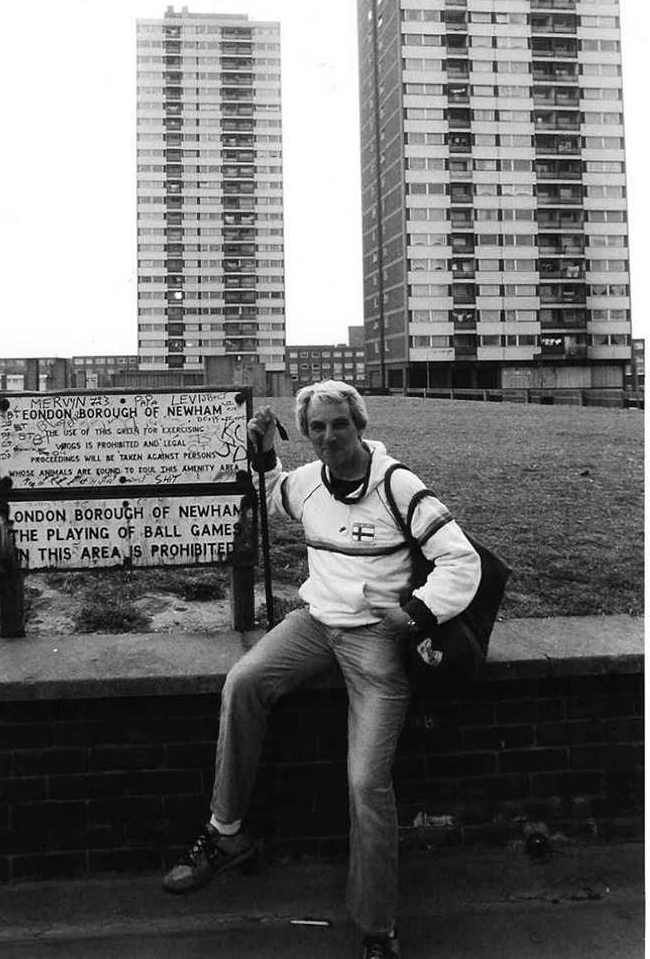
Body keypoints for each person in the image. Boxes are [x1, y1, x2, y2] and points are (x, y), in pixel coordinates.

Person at [162, 380, 481, 958]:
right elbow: (278, 491)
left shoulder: (397, 485)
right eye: (317, 428)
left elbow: (461, 559)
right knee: (243, 684)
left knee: (366, 782)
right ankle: (226, 834)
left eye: (339, 424)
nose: (329, 436)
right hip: (314, 622)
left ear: (360, 424)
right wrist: (262, 450)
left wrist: (412, 614)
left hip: (377, 638)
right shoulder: (310, 481)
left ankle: (377, 927)